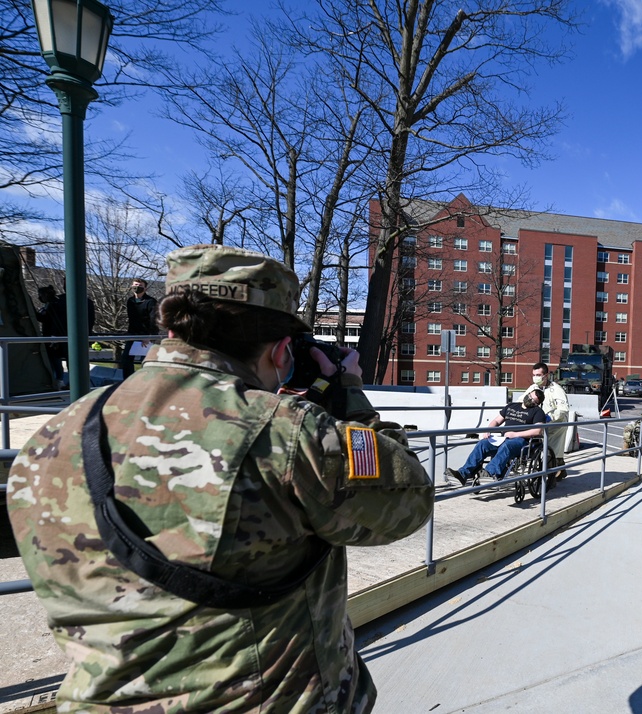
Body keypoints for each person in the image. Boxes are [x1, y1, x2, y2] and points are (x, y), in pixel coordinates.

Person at [8, 244, 434, 713]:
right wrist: (350, 397)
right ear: (279, 350)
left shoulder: (55, 433)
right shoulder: (291, 434)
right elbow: (408, 500)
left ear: (170, 328)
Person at [447, 388, 547, 486]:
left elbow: (538, 430)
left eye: (533, 400)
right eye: (530, 396)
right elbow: (496, 421)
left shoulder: (537, 412)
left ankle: (489, 473)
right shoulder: (512, 406)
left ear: (536, 403)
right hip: (503, 439)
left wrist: (515, 434)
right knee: (483, 443)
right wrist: (488, 430)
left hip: (520, 441)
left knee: (507, 446)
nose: (529, 399)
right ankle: (462, 474)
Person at [524, 362, 570, 477]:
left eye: (538, 375)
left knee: (552, 451)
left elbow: (563, 409)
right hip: (540, 424)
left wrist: (549, 417)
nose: (536, 377)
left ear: (546, 375)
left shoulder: (556, 389)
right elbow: (522, 401)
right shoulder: (533, 388)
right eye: (534, 374)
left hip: (556, 425)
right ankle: (560, 470)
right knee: (549, 451)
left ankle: (549, 480)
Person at [119, 277, 159, 378]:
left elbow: (154, 320)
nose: (137, 287)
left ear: (145, 288)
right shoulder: (130, 301)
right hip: (132, 334)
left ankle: (145, 384)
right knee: (126, 360)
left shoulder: (151, 302)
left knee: (146, 362)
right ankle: (127, 382)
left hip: (146, 335)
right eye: (135, 285)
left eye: (140, 286)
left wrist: (149, 336)